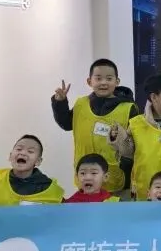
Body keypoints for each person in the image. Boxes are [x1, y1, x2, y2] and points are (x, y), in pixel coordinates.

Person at [51, 58, 138, 197]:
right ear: (89, 81)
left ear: (117, 81)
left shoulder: (129, 108)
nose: (103, 82)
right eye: (98, 78)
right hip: (86, 178)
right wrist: (60, 103)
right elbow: (66, 124)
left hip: (117, 180)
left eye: (109, 78)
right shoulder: (81, 104)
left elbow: (135, 145)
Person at [0, 135, 64, 206]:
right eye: (19, 149)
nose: (23, 153)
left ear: (38, 161)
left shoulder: (49, 189)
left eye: (30, 151)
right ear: (10, 156)